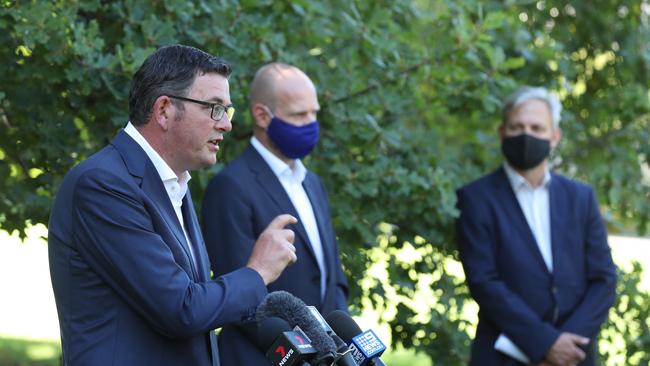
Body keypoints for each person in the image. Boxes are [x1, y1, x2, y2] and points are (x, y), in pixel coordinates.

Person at [48, 45, 298, 366]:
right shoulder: (102, 184)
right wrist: (258, 271)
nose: (226, 124)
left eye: (227, 110)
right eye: (214, 108)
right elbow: (181, 310)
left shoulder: (173, 182)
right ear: (164, 109)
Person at [455, 86, 617, 366]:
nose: (526, 135)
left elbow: (603, 279)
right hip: (503, 355)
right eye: (517, 127)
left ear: (554, 137)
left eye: (536, 128)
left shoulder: (580, 197)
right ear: (502, 132)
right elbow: (484, 281)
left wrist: (566, 344)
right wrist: (545, 343)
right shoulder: (475, 199)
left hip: (575, 356)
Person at [201, 62, 349, 365]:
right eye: (298, 114)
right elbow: (240, 300)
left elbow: (332, 277)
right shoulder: (230, 187)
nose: (311, 123)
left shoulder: (313, 183)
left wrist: (332, 347)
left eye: (314, 113)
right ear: (261, 115)